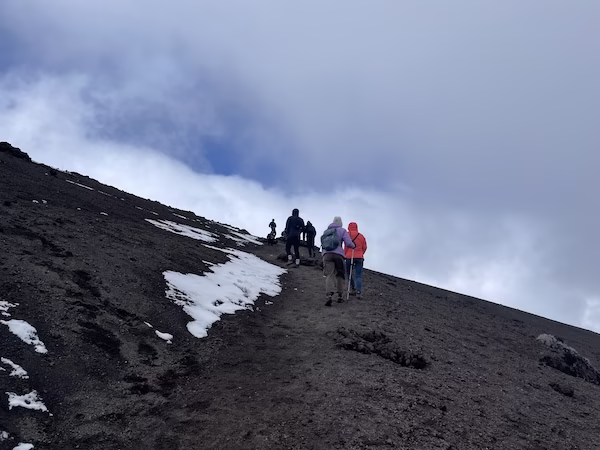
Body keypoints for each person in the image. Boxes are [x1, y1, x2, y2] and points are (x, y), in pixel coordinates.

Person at [321, 217, 355, 306]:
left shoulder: (327, 231)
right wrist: (353, 246)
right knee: (340, 274)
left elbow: (323, 243)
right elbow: (348, 243)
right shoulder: (342, 230)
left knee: (329, 274)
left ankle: (329, 295)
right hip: (339, 255)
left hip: (327, 254)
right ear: (341, 223)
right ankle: (340, 296)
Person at [344, 222, 367, 299]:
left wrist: (345, 254)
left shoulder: (347, 234)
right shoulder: (361, 236)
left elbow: (346, 246)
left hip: (349, 256)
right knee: (358, 275)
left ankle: (352, 288)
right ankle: (358, 291)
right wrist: (361, 253)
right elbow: (365, 247)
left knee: (349, 273)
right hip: (359, 257)